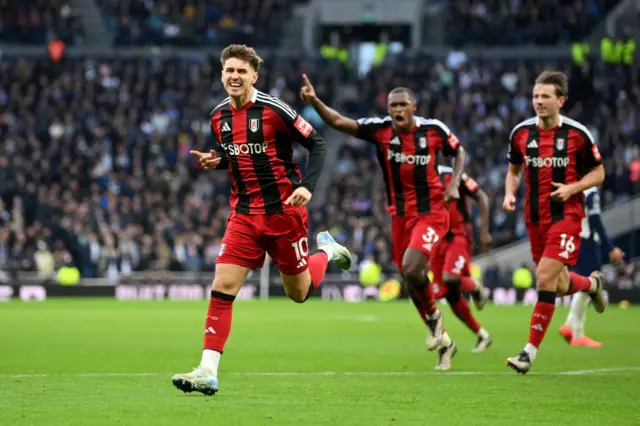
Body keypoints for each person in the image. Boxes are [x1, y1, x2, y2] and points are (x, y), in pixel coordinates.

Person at [171, 45, 352, 395]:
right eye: (229, 71)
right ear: (222, 75)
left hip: (284, 213)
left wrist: (307, 188)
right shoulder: (218, 117)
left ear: (255, 75)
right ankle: (207, 369)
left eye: (242, 71)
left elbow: (317, 145)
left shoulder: (274, 110)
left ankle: (327, 252)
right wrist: (218, 161)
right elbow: (237, 156)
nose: (235, 76)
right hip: (243, 214)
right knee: (223, 285)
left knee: (298, 294)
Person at [301, 75, 466, 370]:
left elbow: (459, 150)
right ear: (388, 108)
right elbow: (339, 122)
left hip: (432, 213)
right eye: (393, 105)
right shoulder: (380, 130)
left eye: (403, 104)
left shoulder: (433, 130)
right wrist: (315, 101)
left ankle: (434, 321)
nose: (398, 109)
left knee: (412, 268)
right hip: (400, 216)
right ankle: (444, 342)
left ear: (413, 106)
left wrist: (453, 184)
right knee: (409, 277)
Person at [504, 70, 607, 374]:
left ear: (561, 100)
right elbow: (513, 170)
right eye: (536, 96)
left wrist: (573, 188)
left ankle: (528, 353)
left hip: (567, 216)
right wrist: (510, 194)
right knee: (559, 286)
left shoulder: (577, 134)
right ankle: (591, 284)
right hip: (534, 218)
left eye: (546, 97)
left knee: (545, 279)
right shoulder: (521, 133)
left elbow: (599, 173)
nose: (539, 102)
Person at [430, 166, 492, 353]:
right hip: (436, 238)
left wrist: (484, 231)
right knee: (449, 294)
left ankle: (474, 285)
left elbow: (481, 196)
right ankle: (482, 334)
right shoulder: (420, 173)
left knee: (450, 278)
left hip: (458, 235)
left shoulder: (453, 174)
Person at [559, 187, 625, 347]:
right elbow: (595, 219)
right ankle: (574, 329)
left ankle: (573, 329)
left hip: (572, 236)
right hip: (586, 239)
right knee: (590, 283)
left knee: (586, 282)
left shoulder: (574, 184)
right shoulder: (591, 190)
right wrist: (609, 247)